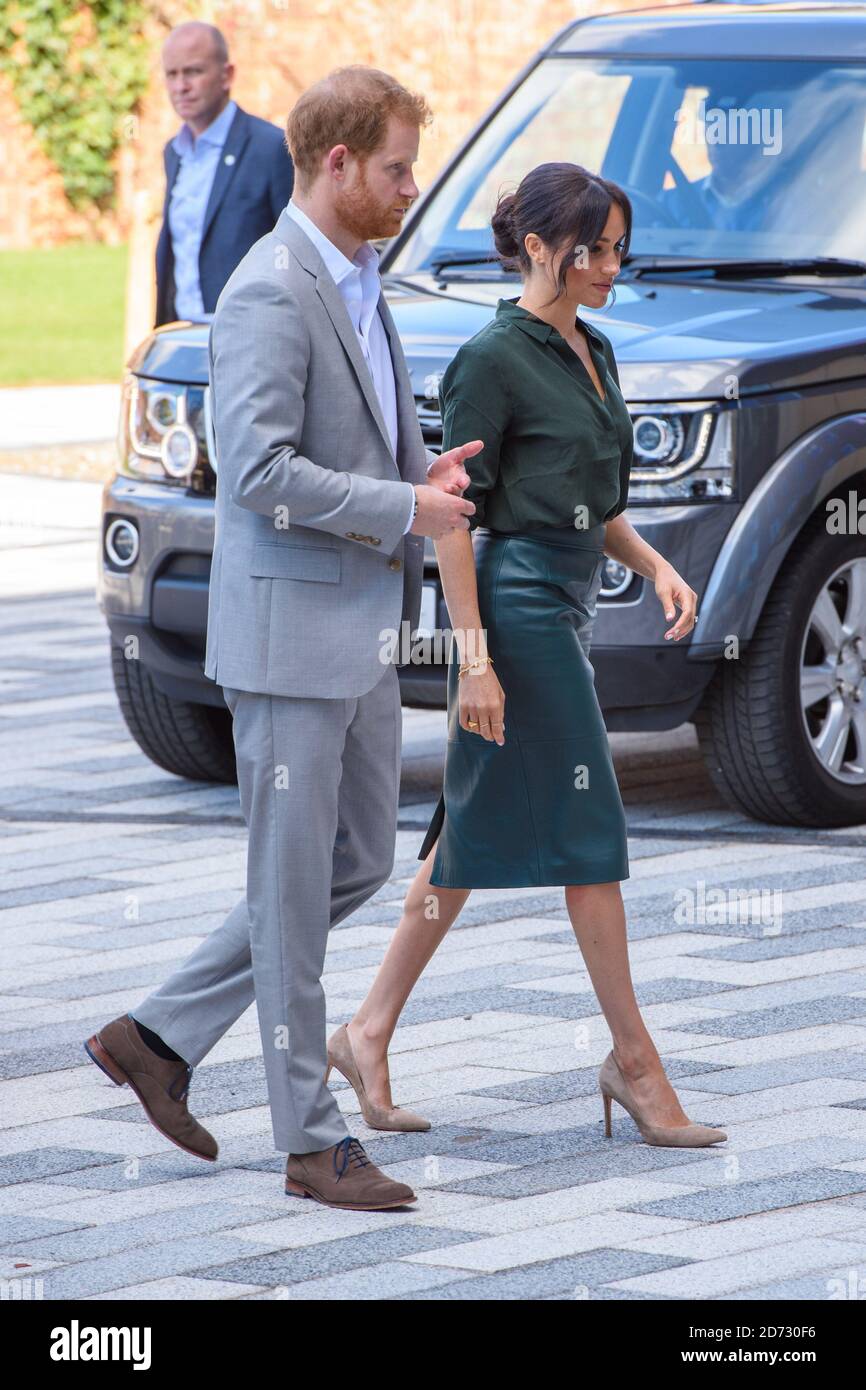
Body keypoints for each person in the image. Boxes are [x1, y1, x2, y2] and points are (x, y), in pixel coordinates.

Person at [85, 65, 482, 1211]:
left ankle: (156, 1036)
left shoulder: (360, 278)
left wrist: (423, 472)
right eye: (400, 167)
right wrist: (403, 509)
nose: (413, 186)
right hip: (287, 635)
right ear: (340, 162)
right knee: (295, 879)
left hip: (356, 630)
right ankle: (311, 1140)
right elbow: (254, 473)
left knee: (352, 859)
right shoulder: (266, 288)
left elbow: (361, 437)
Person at [325, 163, 729, 1151]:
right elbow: (452, 516)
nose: (610, 266)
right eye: (594, 248)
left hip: (570, 598)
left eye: (619, 247)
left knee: (467, 824)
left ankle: (364, 1030)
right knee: (590, 830)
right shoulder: (490, 359)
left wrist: (653, 566)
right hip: (514, 612)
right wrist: (474, 663)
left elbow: (589, 492)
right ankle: (632, 1062)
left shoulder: (592, 346)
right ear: (541, 248)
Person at [155, 21, 295, 326]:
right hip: (185, 333)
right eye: (172, 74)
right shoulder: (173, 153)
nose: (181, 86)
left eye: (193, 72)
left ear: (227, 75)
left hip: (251, 334)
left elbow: (296, 254)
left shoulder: (270, 148)